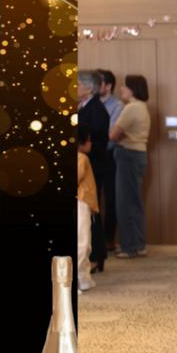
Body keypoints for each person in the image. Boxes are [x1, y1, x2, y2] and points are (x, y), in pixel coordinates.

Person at [109, 74, 151, 259]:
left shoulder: (131, 108)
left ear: (133, 89)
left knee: (125, 203)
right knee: (134, 202)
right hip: (139, 154)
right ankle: (138, 244)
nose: (121, 89)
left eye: (124, 86)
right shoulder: (142, 107)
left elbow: (113, 135)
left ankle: (129, 247)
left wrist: (119, 135)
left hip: (128, 155)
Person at [77, 70, 110, 273]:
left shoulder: (97, 110)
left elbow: (94, 141)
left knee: (91, 212)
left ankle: (97, 255)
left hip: (92, 166)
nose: (76, 88)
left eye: (79, 84)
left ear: (89, 88)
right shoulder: (84, 106)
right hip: (85, 164)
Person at [97, 69, 124, 252]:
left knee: (111, 198)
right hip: (92, 156)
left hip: (109, 156)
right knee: (92, 199)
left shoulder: (117, 105)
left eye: (98, 82)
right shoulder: (87, 103)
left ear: (108, 86)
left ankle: (109, 239)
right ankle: (96, 240)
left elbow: (111, 135)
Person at [76, 124, 99, 293]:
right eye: (89, 140)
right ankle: (78, 278)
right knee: (83, 242)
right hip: (81, 201)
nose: (91, 143)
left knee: (84, 241)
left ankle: (84, 278)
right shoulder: (81, 158)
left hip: (83, 201)